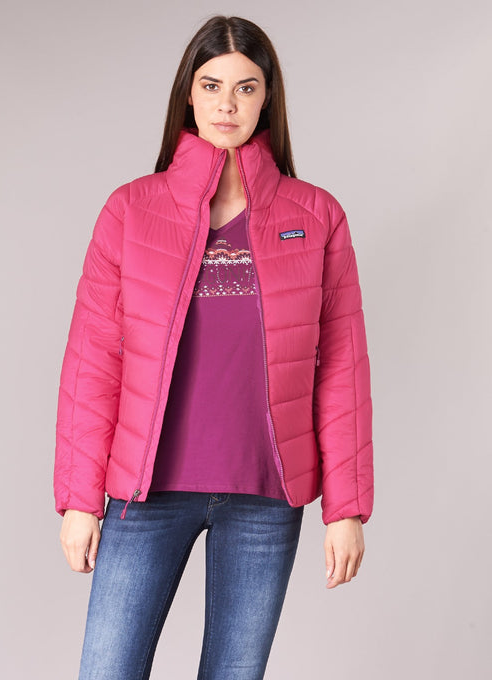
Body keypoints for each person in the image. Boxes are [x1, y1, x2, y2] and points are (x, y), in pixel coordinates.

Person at [54, 14, 374, 680]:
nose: (227, 103)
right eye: (211, 85)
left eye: (245, 87)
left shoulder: (316, 216)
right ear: (189, 95)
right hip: (146, 494)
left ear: (267, 99)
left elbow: (342, 368)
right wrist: (80, 499)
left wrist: (345, 508)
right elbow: (93, 360)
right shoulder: (129, 211)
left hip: (265, 497)